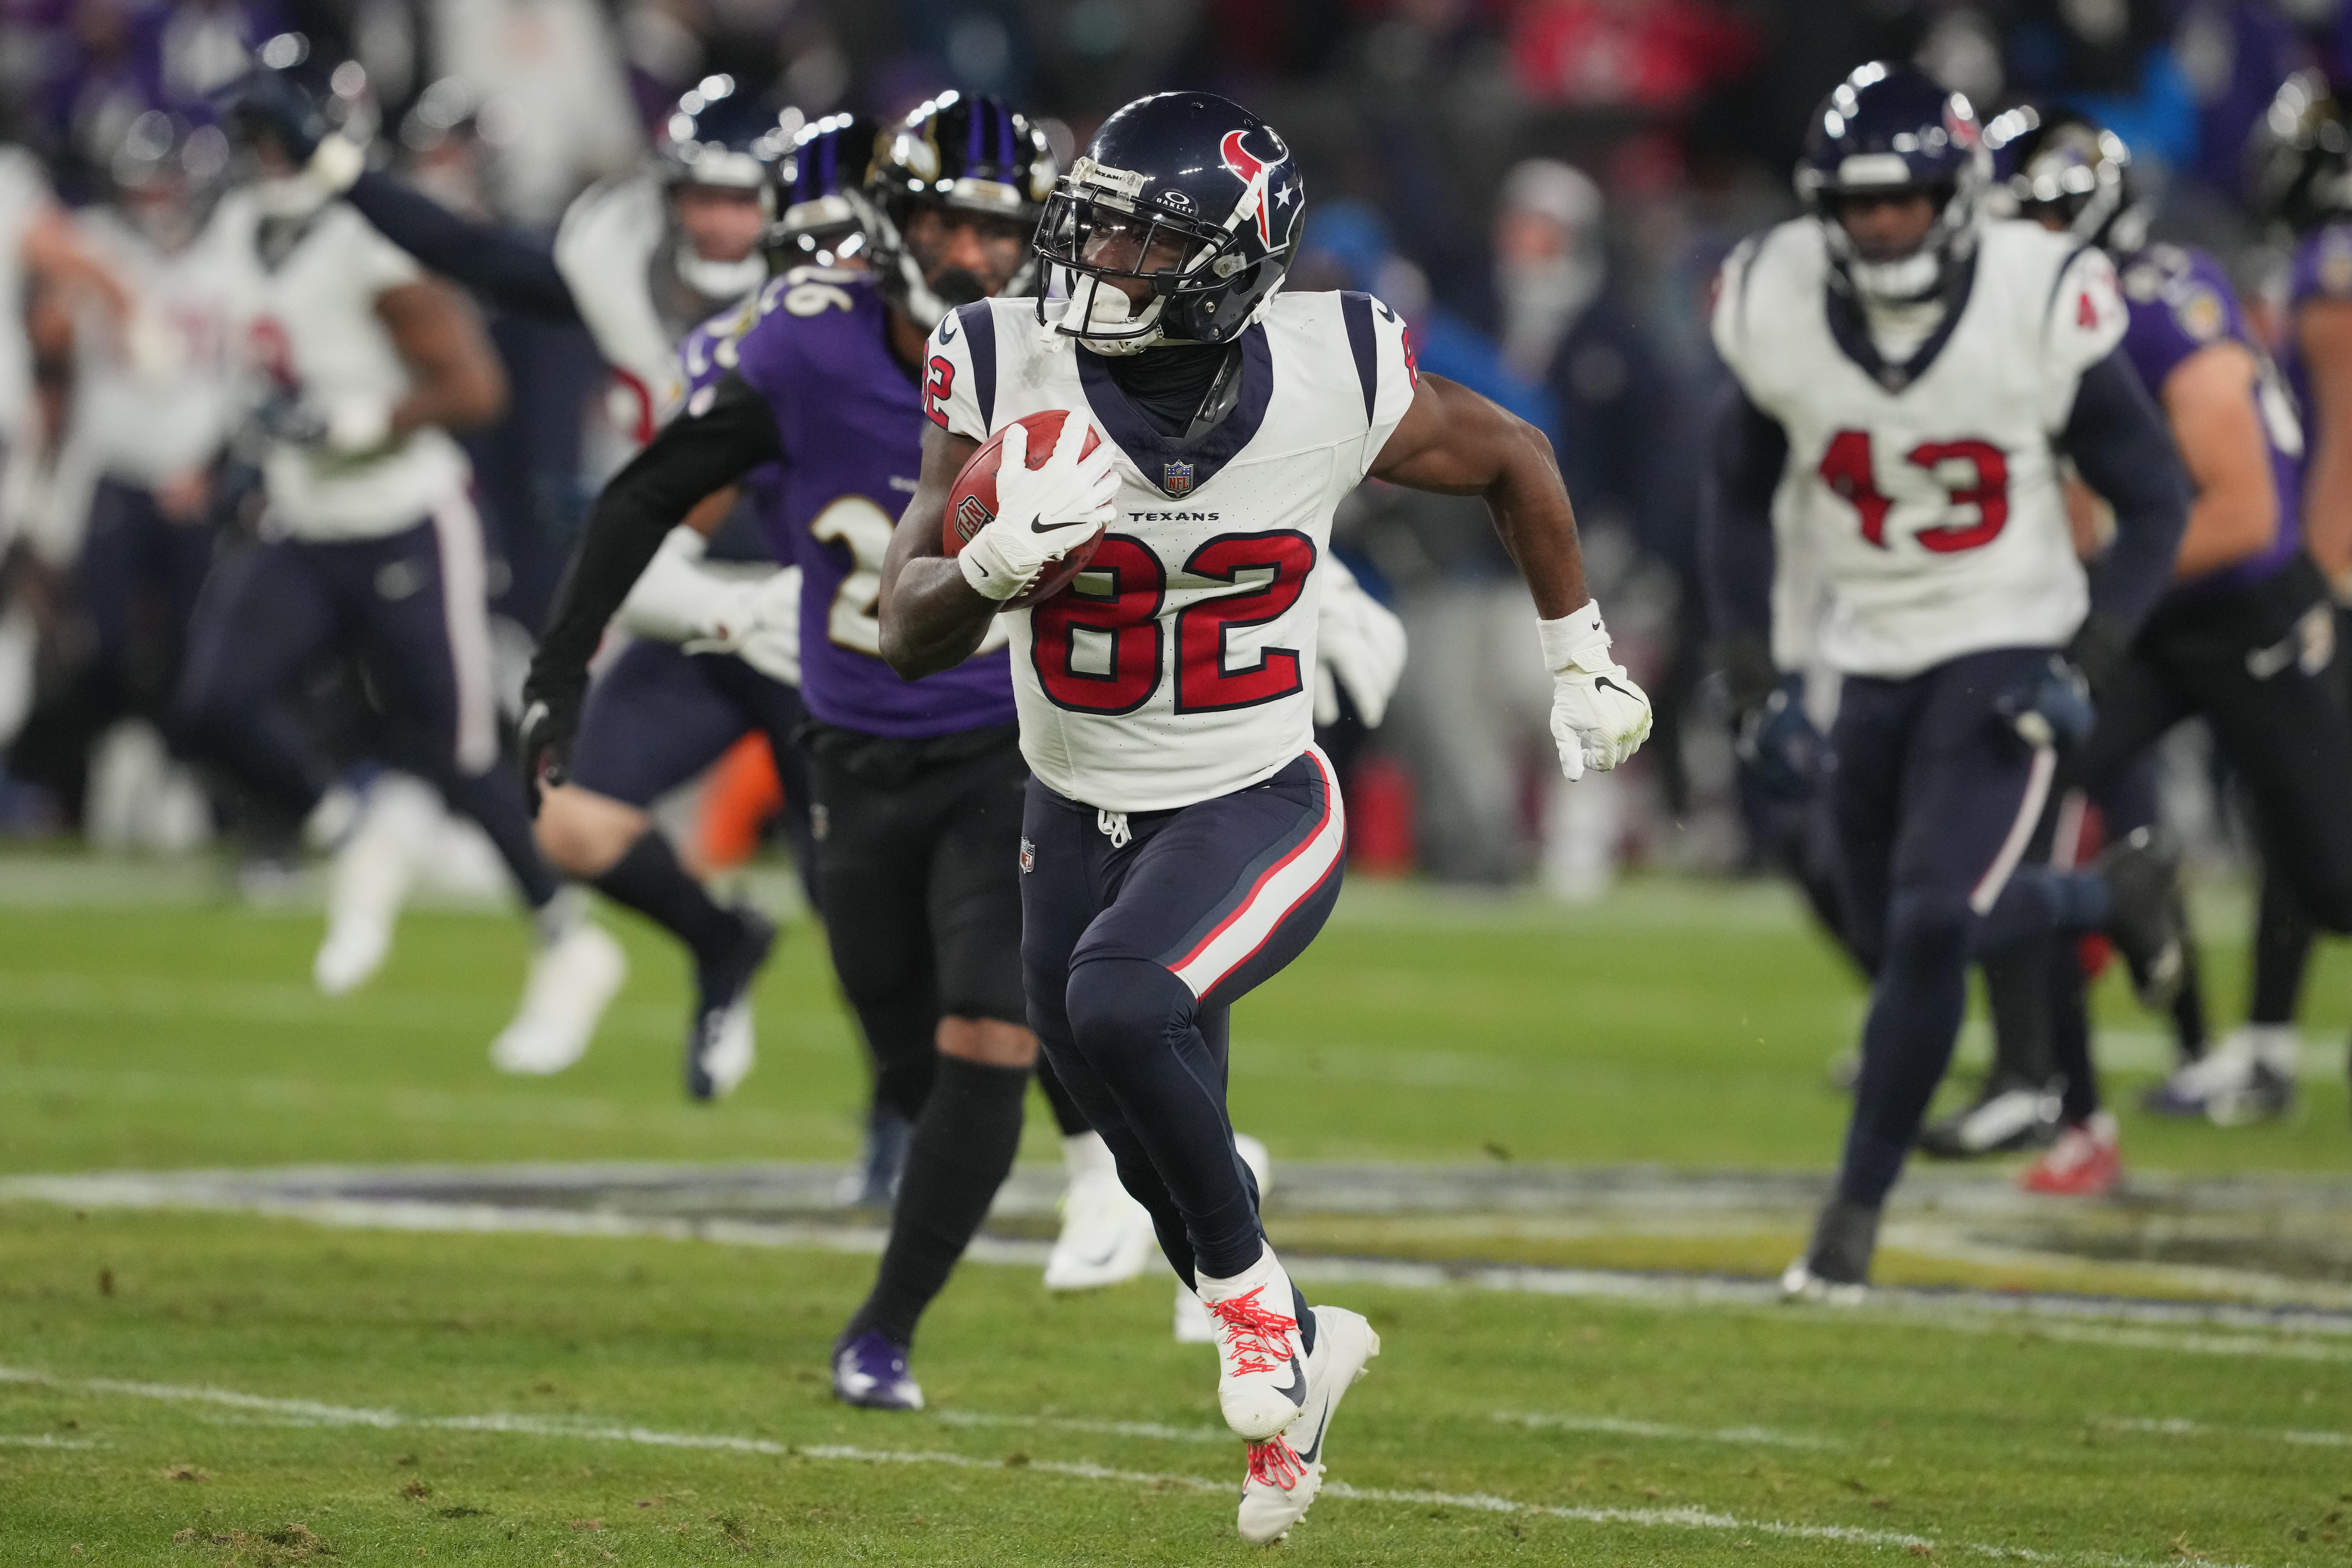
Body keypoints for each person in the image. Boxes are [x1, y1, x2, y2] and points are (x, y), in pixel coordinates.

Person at [874, 90, 1651, 1544]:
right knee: (1151, 1138)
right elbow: (901, 626)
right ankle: (1304, 1359)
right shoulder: (996, 354)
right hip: (1070, 799)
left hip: (1249, 794)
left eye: (1137, 239)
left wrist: (1580, 656)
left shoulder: (1331, 366)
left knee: (1115, 1008)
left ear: (1230, 265)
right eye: (1089, 222)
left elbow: (1514, 459)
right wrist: (985, 567)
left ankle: (1246, 1320)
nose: (1093, 258)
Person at [1703, 64, 2192, 1300]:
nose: (1879, 226)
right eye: (1859, 204)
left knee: (1929, 923)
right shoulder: (1776, 300)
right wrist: (1752, 674)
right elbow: (1734, 492)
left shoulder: (2035, 298)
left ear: (1956, 196)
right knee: (1887, 930)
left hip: (2004, 634)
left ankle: (1847, 1220)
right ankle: (2101, 892)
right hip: (1864, 648)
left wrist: (2087, 656)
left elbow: (2150, 498)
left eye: (1905, 200)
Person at [244, 69, 820, 1095]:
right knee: (571, 818)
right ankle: (722, 943)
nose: (722, 222)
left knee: (856, 894)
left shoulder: (833, 298)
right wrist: (336, 167)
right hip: (686, 607)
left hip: (814, 607)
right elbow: (468, 254)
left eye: (743, 198)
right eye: (704, 194)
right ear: (669, 190)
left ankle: (904, 1123)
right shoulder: (615, 261)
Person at [170, 56, 624, 1069]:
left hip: (405, 519)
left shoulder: (373, 233)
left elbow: (476, 386)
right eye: (252, 135)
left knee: (463, 755)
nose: (260, 154)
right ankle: (350, 827)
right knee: (212, 703)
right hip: (303, 516)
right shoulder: (243, 228)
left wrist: (364, 417)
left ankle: (568, 939)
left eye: (274, 133)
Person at [1925, 108, 2345, 1191]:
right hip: (2145, 612)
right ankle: (2050, 1095)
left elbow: (2247, 516)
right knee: (2015, 786)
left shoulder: (2154, 307)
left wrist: (2092, 585)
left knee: (2337, 884)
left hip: (2248, 612)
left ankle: (2134, 946)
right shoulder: (2020, 313)